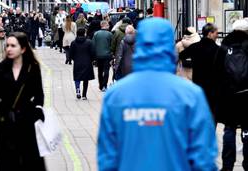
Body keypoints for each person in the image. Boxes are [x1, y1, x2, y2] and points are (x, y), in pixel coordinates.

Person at [98, 18, 217, 171]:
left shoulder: (116, 96)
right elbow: (203, 157)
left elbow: (108, 157)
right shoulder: (190, 96)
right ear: (169, 46)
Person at [0, 32, 46, 171]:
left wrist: (38, 109)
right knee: (6, 162)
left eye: (13, 46)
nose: (8, 49)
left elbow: (39, 93)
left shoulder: (32, 68)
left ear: (23, 49)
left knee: (30, 161)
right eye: (7, 46)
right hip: (4, 122)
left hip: (27, 121)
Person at [214, 19, 248, 171]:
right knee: (247, 129)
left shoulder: (224, 44)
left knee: (229, 129)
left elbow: (216, 69)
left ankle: (227, 165)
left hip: (228, 95)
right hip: (246, 94)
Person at [179, 23, 219, 113]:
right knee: (212, 111)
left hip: (197, 83)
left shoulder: (195, 47)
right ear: (210, 33)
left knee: (199, 109)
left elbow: (181, 55)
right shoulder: (217, 49)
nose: (217, 35)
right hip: (213, 86)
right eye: (216, 33)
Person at [70, 28, 95, 100]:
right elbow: (93, 52)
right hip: (87, 62)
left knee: (77, 77)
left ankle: (78, 90)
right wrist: (92, 60)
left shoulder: (73, 43)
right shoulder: (89, 42)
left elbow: (71, 54)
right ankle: (84, 95)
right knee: (85, 79)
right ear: (84, 33)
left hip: (77, 62)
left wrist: (74, 59)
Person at [92, 21, 113, 91]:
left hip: (98, 55)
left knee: (100, 71)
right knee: (106, 71)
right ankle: (104, 85)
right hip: (107, 55)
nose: (109, 26)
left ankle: (100, 85)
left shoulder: (96, 34)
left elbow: (93, 45)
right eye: (108, 25)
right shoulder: (110, 34)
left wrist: (94, 56)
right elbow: (112, 45)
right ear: (105, 25)